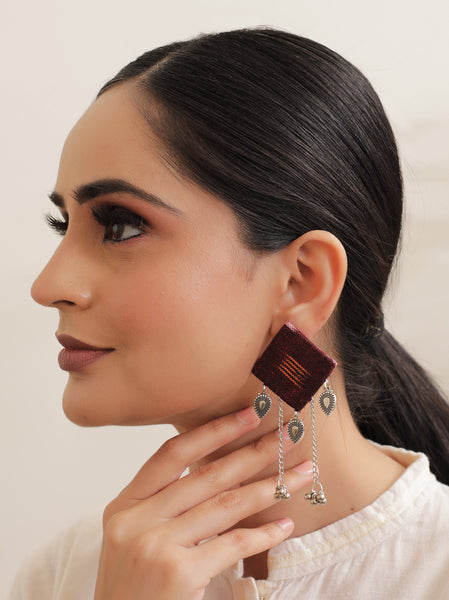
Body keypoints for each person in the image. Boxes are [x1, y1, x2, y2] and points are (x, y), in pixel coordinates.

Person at [9, 27, 449, 600]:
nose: (48, 286)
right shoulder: (65, 575)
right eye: (63, 225)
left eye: (119, 226)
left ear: (302, 281)